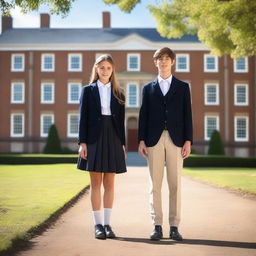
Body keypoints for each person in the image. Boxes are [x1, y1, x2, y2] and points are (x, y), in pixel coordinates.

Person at [138, 47, 193, 241]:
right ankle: (157, 225)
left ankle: (175, 226)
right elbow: (143, 116)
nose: (163, 61)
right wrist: (141, 140)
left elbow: (188, 116)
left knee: (175, 184)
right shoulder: (148, 88)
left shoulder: (183, 87)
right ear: (155, 62)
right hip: (153, 140)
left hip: (176, 140)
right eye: (159, 59)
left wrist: (188, 140)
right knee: (155, 184)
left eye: (167, 58)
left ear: (173, 62)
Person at [78, 54, 126, 240]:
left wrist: (122, 144)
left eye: (108, 67)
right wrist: (82, 142)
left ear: (112, 70)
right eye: (102, 67)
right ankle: (97, 225)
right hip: (94, 138)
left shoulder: (119, 93)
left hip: (113, 138)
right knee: (96, 184)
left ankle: (107, 224)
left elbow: (120, 122)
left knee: (110, 184)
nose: (105, 70)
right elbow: (83, 119)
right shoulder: (87, 91)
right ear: (96, 69)